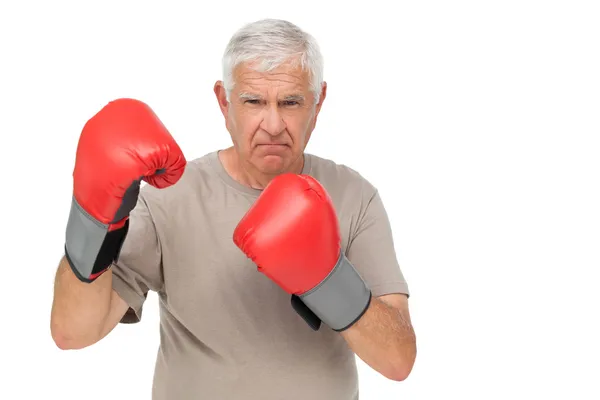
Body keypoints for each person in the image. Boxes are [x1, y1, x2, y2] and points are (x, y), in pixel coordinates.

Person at [50, 18, 417, 400]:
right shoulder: (169, 195)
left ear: (318, 102)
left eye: (291, 102)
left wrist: (329, 279)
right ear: (224, 102)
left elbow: (398, 361)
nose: (273, 124)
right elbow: (72, 333)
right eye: (253, 101)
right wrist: (93, 219)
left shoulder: (355, 196)